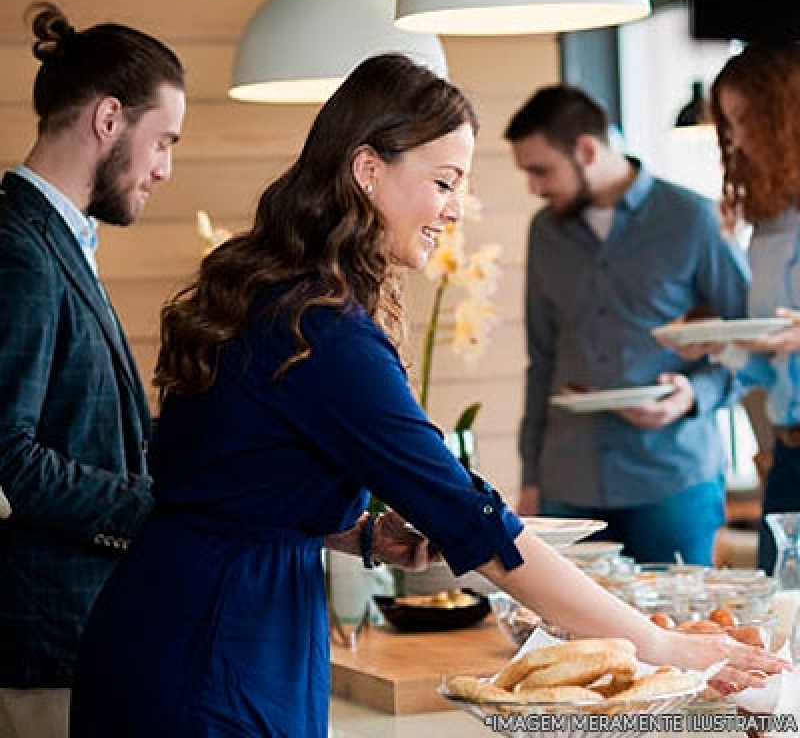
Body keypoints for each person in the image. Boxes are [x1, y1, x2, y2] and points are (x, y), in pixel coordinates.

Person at [69, 54, 786, 738]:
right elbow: (471, 518)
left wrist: (363, 535)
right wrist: (661, 648)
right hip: (217, 643)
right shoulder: (325, 331)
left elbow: (233, 485)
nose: (455, 209)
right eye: (444, 182)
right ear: (368, 171)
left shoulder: (281, 296)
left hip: (174, 617)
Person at [0, 2, 185, 738]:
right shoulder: (18, 247)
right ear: (109, 119)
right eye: (163, 140)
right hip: (45, 647)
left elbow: (88, 432)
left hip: (86, 636)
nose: (166, 168)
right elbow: (10, 463)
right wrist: (163, 507)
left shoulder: (58, 241)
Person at [506, 84, 751, 565]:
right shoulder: (544, 232)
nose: (534, 187)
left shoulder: (693, 219)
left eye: (540, 170)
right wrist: (530, 477)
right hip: (567, 482)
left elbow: (751, 339)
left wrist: (693, 396)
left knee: (680, 629)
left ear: (587, 149)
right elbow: (542, 358)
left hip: (672, 480)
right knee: (566, 635)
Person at [703, 42, 800, 574]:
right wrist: (725, 344)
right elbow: (767, 363)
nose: (736, 138)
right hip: (787, 455)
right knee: (781, 617)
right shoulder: (766, 228)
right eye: (729, 122)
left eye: (745, 119)